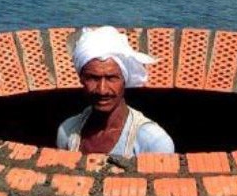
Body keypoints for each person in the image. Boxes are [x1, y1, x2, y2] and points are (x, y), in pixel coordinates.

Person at [56, 26, 174, 156]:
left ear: (124, 80)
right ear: (82, 79)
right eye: (93, 78)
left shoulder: (153, 142)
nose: (102, 90)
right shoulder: (67, 131)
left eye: (111, 78)